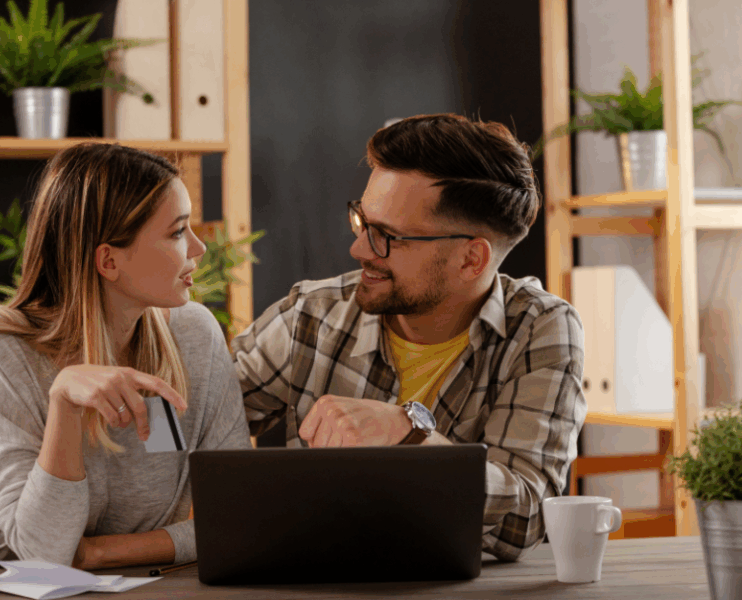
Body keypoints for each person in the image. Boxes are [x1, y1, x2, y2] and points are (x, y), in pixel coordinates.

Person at [231, 114, 587, 562]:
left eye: (389, 237)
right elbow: (191, 423)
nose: (359, 249)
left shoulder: (539, 329)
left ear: (470, 259)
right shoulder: (313, 317)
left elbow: (528, 518)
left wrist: (409, 434)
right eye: (363, 222)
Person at [0, 143, 251, 569]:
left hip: (122, 583)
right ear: (108, 261)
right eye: (176, 232)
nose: (199, 249)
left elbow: (234, 519)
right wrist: (64, 405)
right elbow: (44, 551)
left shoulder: (194, 334)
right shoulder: (5, 355)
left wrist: (97, 552)